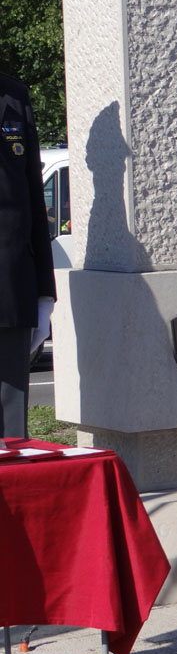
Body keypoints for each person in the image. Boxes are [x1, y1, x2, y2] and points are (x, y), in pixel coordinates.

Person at [1, 71, 56, 439]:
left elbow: (35, 200)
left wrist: (45, 293)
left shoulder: (14, 97)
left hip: (11, 287)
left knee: (11, 433)